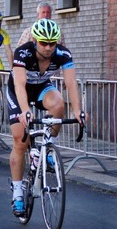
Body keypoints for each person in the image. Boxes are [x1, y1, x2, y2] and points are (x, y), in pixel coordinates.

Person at [7, 18, 84, 217]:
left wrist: (78, 111)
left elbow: (71, 83)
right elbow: (19, 85)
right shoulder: (23, 53)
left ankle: (48, 146)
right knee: (20, 141)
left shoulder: (63, 54)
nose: (48, 48)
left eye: (52, 43)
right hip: (19, 91)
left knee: (58, 104)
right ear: (35, 41)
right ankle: (17, 193)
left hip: (42, 87)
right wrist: (25, 110)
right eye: (44, 43)